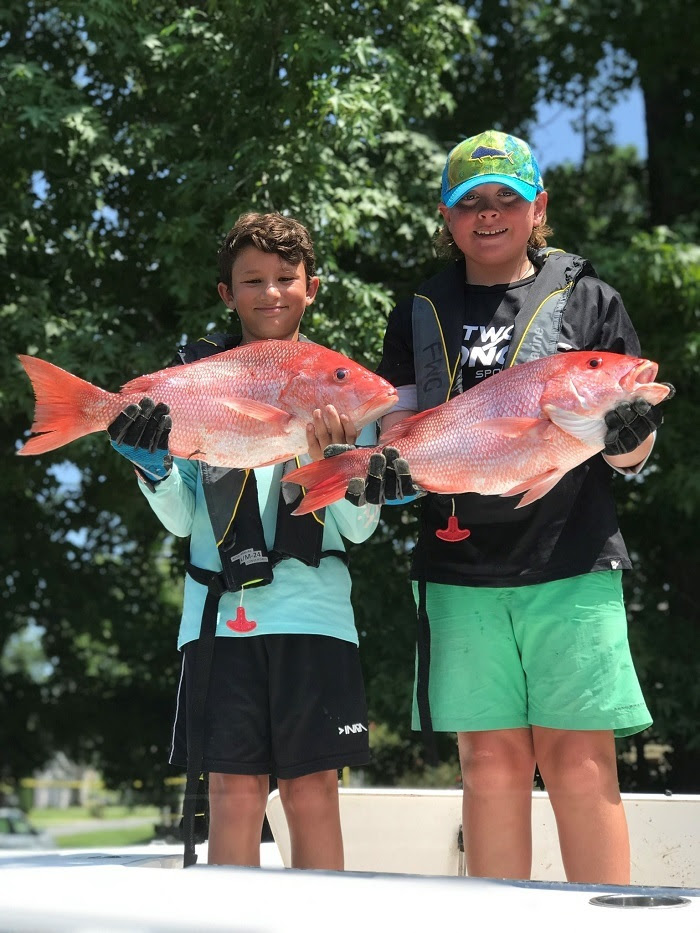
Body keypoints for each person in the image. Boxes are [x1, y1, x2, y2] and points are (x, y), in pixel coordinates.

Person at [360, 129, 672, 884]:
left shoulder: (590, 298)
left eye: (508, 198)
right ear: (447, 216)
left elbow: (633, 457)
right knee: (491, 760)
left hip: (572, 558)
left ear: (540, 208)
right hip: (459, 565)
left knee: (579, 754)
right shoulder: (418, 311)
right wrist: (380, 471)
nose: (490, 214)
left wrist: (630, 433)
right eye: (472, 202)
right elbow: (397, 431)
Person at [107, 212, 378, 869]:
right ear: (227, 293)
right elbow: (180, 520)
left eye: (287, 278)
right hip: (219, 621)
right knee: (232, 793)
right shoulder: (199, 381)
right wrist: (153, 466)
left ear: (313, 287)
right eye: (252, 280)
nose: (272, 292)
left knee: (314, 791)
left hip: (316, 619)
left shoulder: (341, 388)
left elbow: (361, 529)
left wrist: (334, 463)